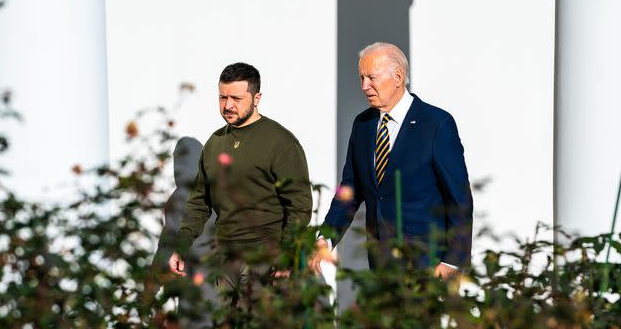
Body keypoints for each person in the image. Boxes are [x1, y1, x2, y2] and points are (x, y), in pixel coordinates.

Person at [309, 43, 472, 279]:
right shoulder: (363, 125)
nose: (364, 86)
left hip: (425, 261)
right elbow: (350, 189)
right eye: (361, 78)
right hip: (380, 262)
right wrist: (326, 237)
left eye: (371, 77)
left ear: (398, 77)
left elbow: (459, 198)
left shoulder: (436, 124)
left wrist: (452, 261)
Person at [164, 62, 312, 305]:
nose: (228, 105)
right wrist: (182, 244)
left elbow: (299, 204)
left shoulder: (281, 143)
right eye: (223, 97)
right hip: (226, 256)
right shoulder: (215, 143)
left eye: (236, 98)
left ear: (257, 98)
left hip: (265, 256)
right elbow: (200, 202)